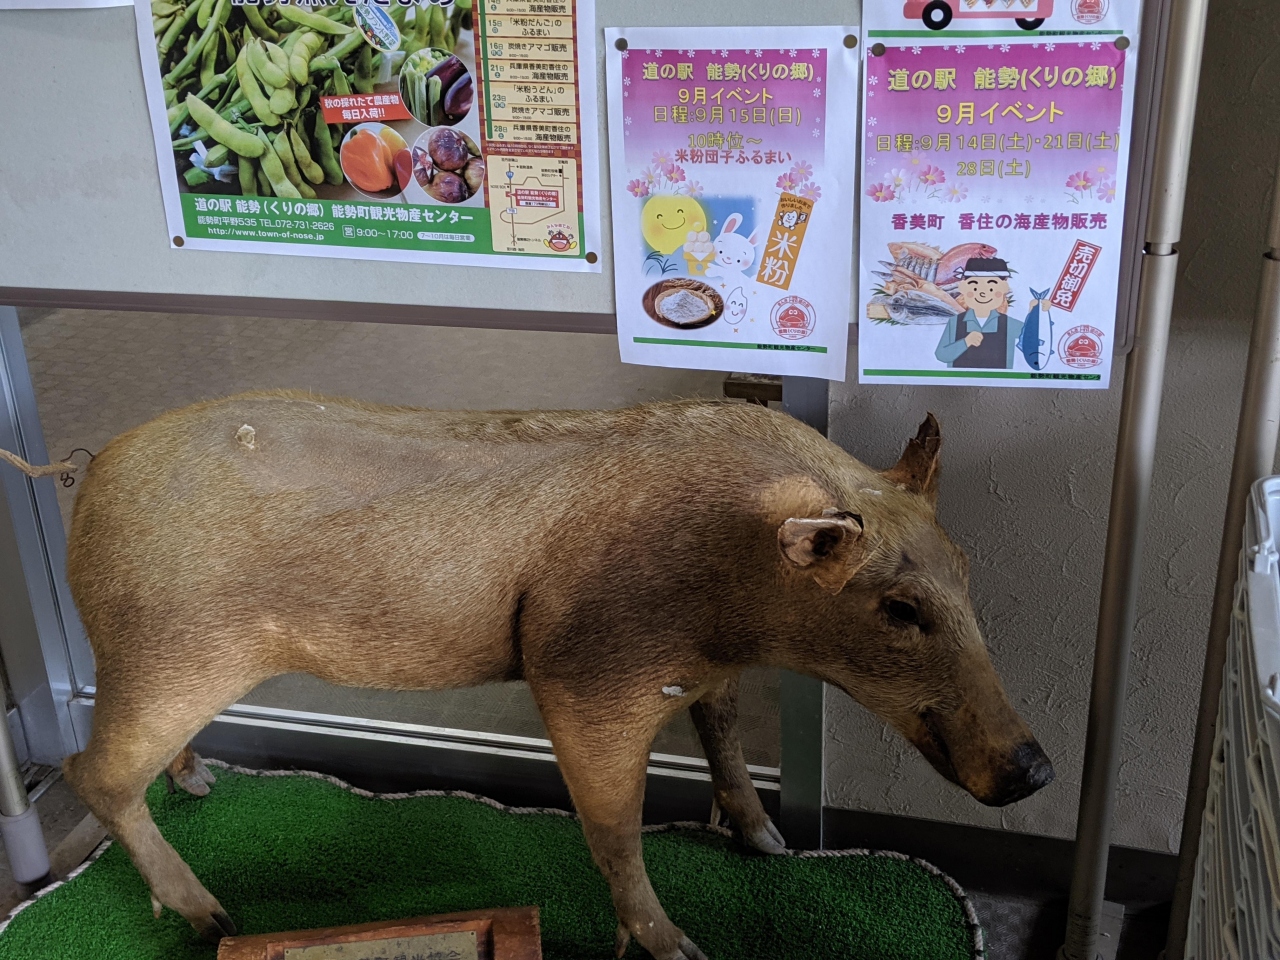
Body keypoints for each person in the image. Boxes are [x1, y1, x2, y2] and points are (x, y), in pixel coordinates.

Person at [935, 257, 1028, 370]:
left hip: (999, 379)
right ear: (965, 289)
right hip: (961, 378)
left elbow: (1033, 339)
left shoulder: (1009, 324)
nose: (982, 294)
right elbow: (941, 355)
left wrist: (1039, 310)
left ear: (1003, 290)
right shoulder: (955, 322)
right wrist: (966, 342)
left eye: (991, 289)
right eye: (975, 288)